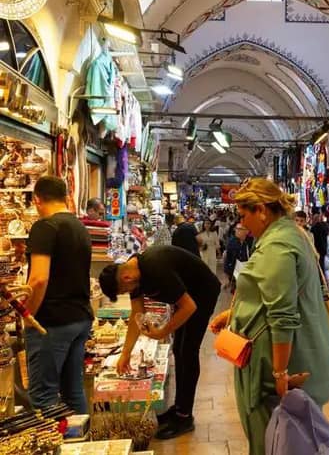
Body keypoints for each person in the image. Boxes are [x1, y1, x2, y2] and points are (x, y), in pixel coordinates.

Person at [208, 179, 329, 455]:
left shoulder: (278, 245)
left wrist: (280, 372)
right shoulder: (287, 235)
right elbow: (274, 295)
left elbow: (282, 314)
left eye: (244, 216)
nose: (242, 224)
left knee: (276, 441)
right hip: (289, 355)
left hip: (278, 365)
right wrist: (233, 314)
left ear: (262, 211)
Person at [98, 245, 220, 438]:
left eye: (123, 290)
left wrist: (163, 330)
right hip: (188, 297)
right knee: (179, 351)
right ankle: (179, 407)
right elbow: (137, 314)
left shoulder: (155, 268)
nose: (128, 292)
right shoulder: (133, 272)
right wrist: (125, 353)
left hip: (202, 294)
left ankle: (184, 417)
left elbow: (189, 307)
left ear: (126, 278)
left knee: (187, 352)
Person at [24, 176, 93, 414]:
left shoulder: (45, 227)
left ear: (37, 200)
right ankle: (80, 447)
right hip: (80, 316)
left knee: (44, 396)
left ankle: (51, 449)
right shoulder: (79, 227)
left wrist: (28, 313)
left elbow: (39, 278)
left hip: (51, 321)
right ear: (66, 197)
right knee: (73, 391)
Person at [223, 223, 254, 292]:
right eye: (237, 229)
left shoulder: (245, 243)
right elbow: (227, 259)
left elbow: (247, 257)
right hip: (235, 272)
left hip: (243, 272)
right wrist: (227, 277)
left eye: (246, 230)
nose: (246, 232)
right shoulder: (232, 243)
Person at [309, 209, 329, 274]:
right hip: (323, 248)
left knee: (317, 265)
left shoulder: (313, 228)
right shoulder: (325, 226)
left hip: (316, 248)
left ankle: (320, 278)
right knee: (322, 264)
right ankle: (322, 278)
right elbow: (327, 234)